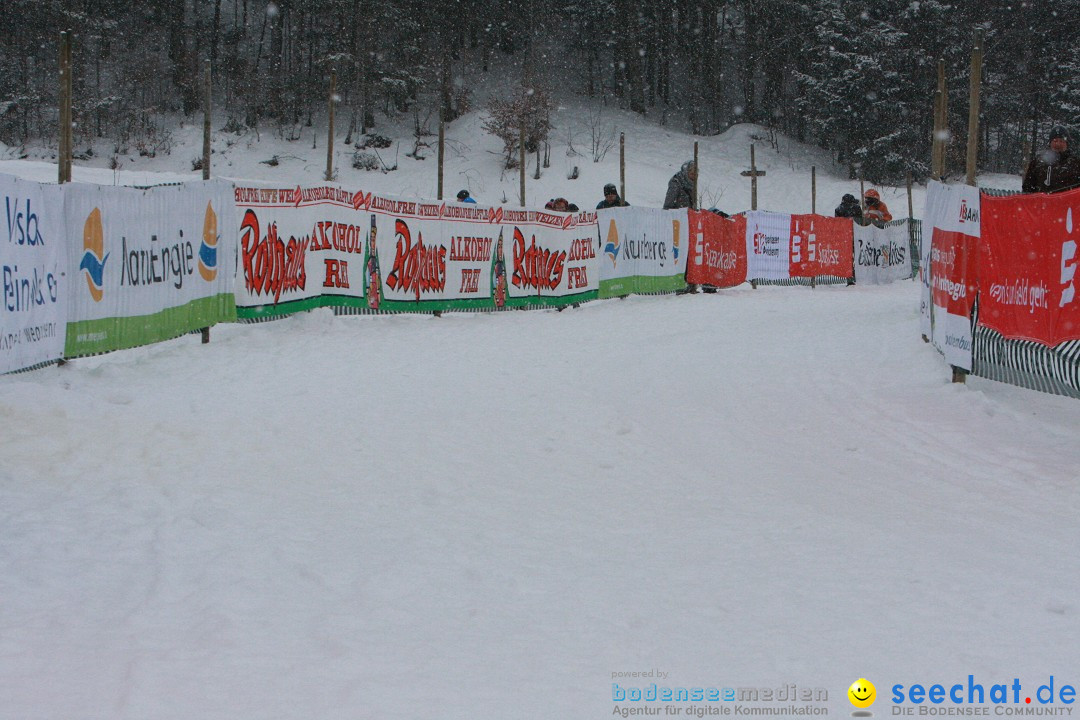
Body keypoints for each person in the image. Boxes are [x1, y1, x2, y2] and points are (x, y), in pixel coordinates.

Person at [1022, 125, 1080, 194]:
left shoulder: (1076, 163)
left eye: (1061, 141)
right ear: (1050, 142)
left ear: (1066, 143)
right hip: (1042, 203)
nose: (1058, 144)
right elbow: (1028, 187)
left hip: (1068, 203)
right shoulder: (1038, 162)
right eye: (1055, 141)